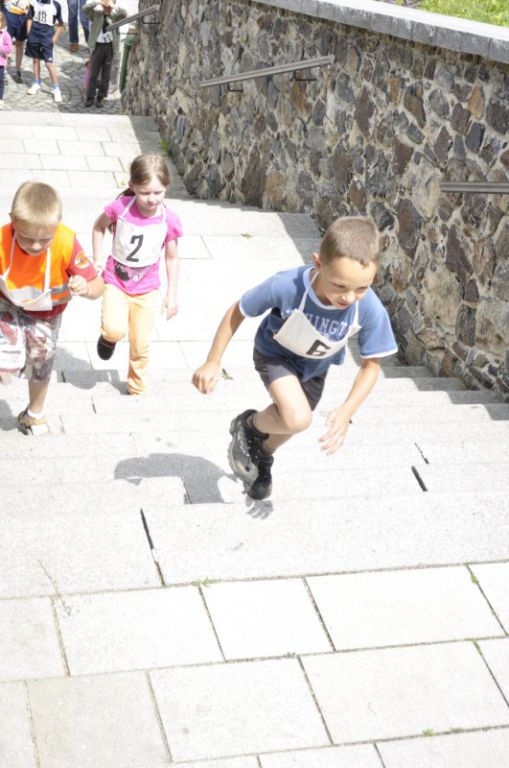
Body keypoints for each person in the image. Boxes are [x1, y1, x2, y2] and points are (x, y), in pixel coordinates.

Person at [192, 216, 398, 500]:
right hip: (275, 355)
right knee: (298, 418)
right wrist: (213, 360)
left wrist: (347, 411)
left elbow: (371, 366)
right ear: (318, 264)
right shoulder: (287, 286)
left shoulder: (369, 308)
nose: (349, 298)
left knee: (291, 422)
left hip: (315, 368)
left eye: (362, 288)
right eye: (340, 286)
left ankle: (263, 453)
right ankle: (248, 426)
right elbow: (239, 310)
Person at [0, 182, 103, 435]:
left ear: (57, 225)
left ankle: (34, 415)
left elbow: (98, 286)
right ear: (13, 221)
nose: (35, 246)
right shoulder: (2, 238)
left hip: (46, 315)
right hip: (7, 306)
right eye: (26, 238)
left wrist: (85, 287)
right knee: (6, 355)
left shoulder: (66, 242)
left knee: (40, 363)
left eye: (44, 239)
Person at [92, 154, 182, 395]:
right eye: (145, 193)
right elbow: (98, 227)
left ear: (166, 187)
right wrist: (98, 259)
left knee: (140, 344)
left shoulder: (169, 220)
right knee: (114, 329)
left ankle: (137, 387)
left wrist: (171, 295)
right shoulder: (120, 208)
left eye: (158, 192)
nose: (152, 199)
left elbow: (172, 258)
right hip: (115, 282)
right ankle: (108, 338)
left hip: (147, 289)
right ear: (132, 186)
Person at [83, 0, 125, 107]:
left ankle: (100, 98)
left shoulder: (115, 16)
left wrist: (114, 6)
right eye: (105, 6)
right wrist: (98, 2)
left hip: (109, 47)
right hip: (98, 46)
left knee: (106, 75)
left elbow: (125, 14)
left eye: (108, 7)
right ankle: (90, 97)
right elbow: (85, 9)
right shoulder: (96, 15)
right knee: (94, 73)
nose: (107, 9)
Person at [25, 0, 64, 103]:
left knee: (49, 63)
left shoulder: (55, 5)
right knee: (35, 60)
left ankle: (56, 89)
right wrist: (29, 33)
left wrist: (54, 38)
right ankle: (37, 82)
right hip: (34, 35)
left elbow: (60, 24)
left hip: (47, 36)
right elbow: (29, 17)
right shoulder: (33, 2)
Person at [3, 0, 29, 83]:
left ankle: (18, 71)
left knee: (20, 43)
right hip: (9, 13)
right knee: (5, 42)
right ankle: (3, 71)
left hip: (23, 15)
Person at [0, 14, 13, 107]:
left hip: (0, 62)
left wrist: (0, 47)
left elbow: (9, 48)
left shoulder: (5, 35)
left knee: (0, 82)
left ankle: (0, 99)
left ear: (2, 23)